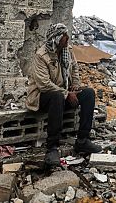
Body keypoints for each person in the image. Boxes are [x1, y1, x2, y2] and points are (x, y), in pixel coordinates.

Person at [25, 23, 102, 166]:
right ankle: (52, 147)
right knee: (57, 95)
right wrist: (67, 94)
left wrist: (75, 86)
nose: (67, 39)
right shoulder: (41, 56)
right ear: (56, 39)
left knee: (88, 94)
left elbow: (74, 69)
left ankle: (82, 140)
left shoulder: (68, 50)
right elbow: (44, 85)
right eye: (64, 37)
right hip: (42, 97)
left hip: (63, 92)